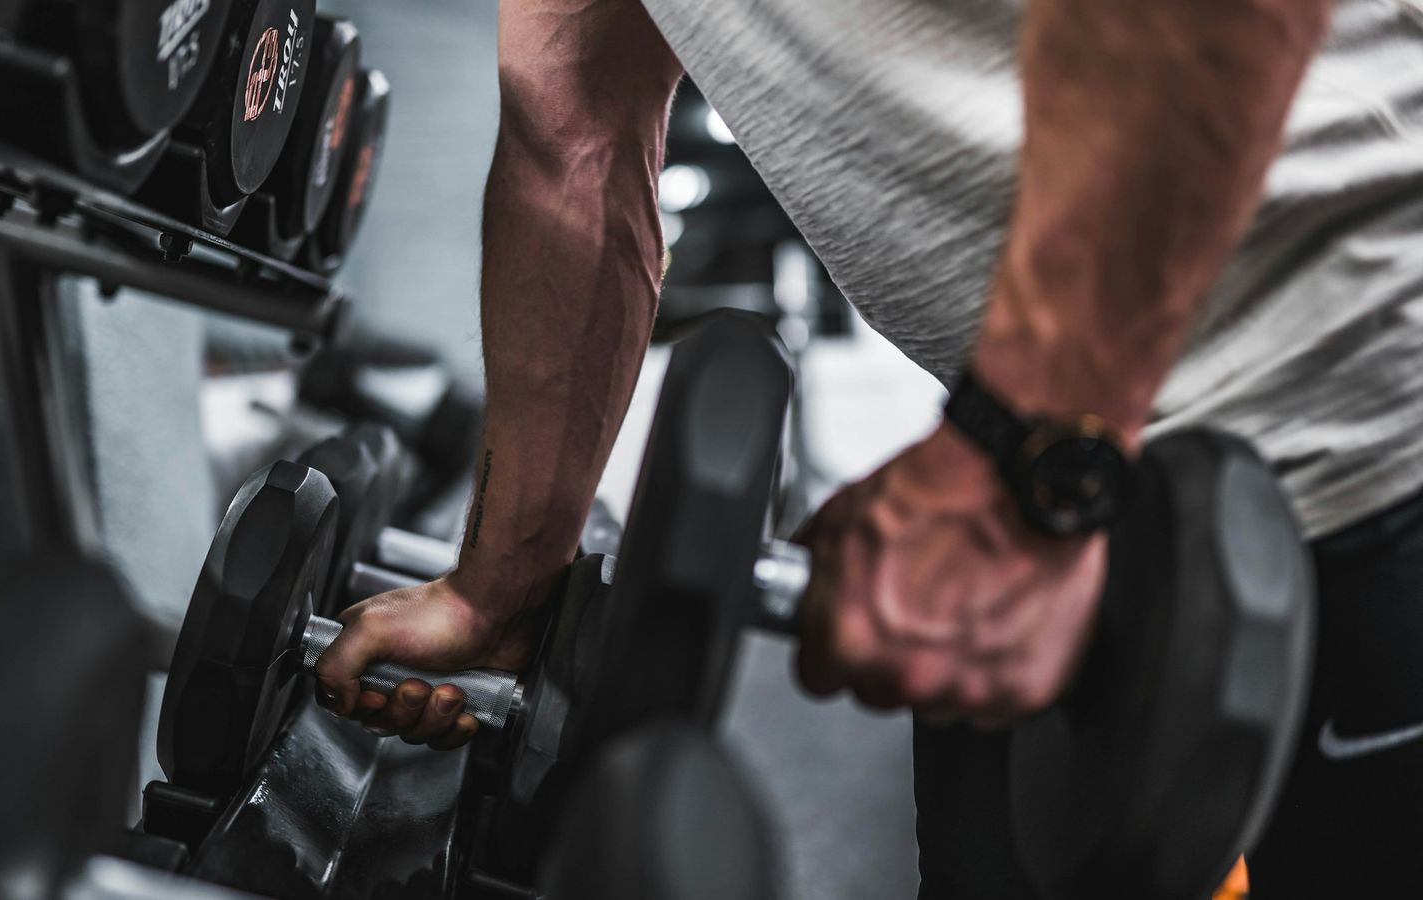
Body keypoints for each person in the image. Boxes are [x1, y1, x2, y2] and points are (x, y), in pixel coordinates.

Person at [317, 0, 1423, 895]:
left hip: (1369, 425)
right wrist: (504, 585)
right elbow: (572, 143)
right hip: (1077, 475)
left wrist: (1026, 457)